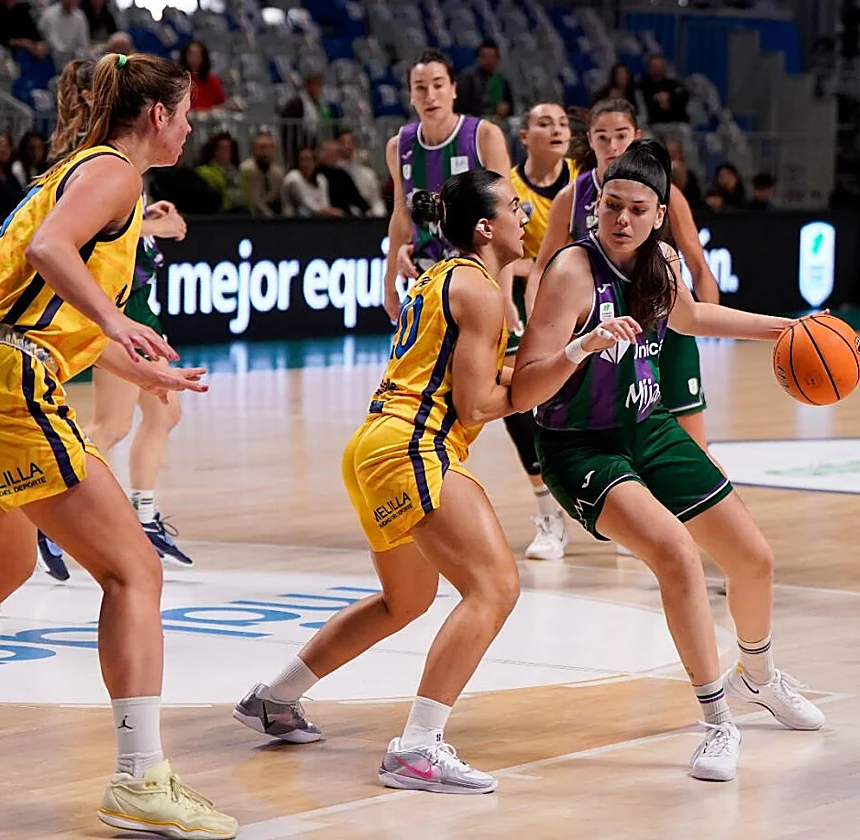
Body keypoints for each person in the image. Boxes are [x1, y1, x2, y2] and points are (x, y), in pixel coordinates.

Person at [0, 52, 238, 838]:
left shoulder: (71, 168)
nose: (193, 126)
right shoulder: (118, 174)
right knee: (132, 569)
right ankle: (141, 777)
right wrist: (114, 318)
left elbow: (38, 300)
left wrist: (135, 362)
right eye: (186, 113)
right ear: (158, 116)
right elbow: (49, 254)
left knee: (6, 565)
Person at [512, 140, 824, 782]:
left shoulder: (660, 264)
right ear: (597, 205)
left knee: (754, 559)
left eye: (637, 210)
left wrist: (784, 328)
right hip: (580, 444)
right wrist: (583, 347)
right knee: (677, 557)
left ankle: (758, 677)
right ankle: (716, 724)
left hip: (649, 427)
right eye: (612, 206)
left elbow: (690, 316)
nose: (621, 220)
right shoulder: (570, 273)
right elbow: (524, 387)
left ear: (659, 215)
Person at [234, 169, 529, 795]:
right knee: (496, 586)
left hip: (375, 443)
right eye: (513, 206)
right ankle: (418, 749)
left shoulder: (439, 278)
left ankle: (275, 698)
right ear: (485, 227)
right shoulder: (479, 289)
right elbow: (477, 406)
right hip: (414, 447)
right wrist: (562, 374)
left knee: (407, 601)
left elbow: (468, 375)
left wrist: (543, 362)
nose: (524, 214)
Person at [528, 99, 722, 556]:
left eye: (621, 136)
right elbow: (541, 267)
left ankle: (706, 539)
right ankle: (625, 515)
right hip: (598, 333)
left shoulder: (665, 193)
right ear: (590, 142)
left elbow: (694, 258)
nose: (613, 145)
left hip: (663, 329)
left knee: (691, 441)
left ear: (635, 138)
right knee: (592, 423)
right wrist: (542, 322)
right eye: (602, 136)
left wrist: (705, 322)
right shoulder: (572, 197)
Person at [36, 57, 195, 581]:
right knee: (112, 422)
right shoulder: (104, 160)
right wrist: (154, 227)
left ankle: (143, 511)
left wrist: (150, 221)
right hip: (111, 306)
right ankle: (56, 512)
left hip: (133, 300)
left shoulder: (120, 162)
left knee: (163, 412)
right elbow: (61, 238)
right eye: (183, 115)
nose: (189, 127)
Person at [382, 48, 512, 324]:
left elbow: (506, 218)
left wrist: (506, 294)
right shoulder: (398, 146)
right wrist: (389, 280)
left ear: (453, 89)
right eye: (420, 87)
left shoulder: (485, 136)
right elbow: (400, 217)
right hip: (426, 276)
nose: (430, 95)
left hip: (477, 276)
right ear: (410, 96)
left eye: (438, 85)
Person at [506, 102, 578, 560]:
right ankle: (549, 513)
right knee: (517, 400)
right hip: (520, 298)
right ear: (524, 136)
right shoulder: (508, 188)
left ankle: (623, 501)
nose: (556, 129)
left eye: (563, 123)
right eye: (544, 123)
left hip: (582, 294)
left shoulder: (585, 179)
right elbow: (498, 250)